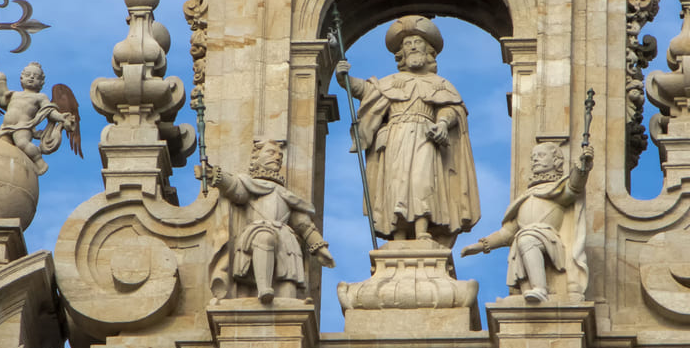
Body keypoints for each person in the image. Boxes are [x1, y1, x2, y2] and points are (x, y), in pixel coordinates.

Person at [335, 16, 479, 247]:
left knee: (422, 182)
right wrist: (343, 77)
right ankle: (397, 235)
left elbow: (451, 108)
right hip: (395, 137)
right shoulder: (390, 82)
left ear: (428, 49)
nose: (412, 46)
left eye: (417, 42)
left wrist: (442, 124)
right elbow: (364, 90)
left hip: (425, 136)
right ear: (400, 53)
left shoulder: (440, 84)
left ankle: (422, 229)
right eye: (407, 43)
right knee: (396, 183)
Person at [204, 138, 335, 302]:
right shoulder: (250, 184)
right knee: (265, 238)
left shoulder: (286, 195)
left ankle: (289, 300)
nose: (277, 157)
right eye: (271, 152)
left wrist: (320, 247)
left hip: (285, 236)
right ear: (256, 158)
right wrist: (216, 175)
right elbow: (234, 188)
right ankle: (264, 288)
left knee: (289, 268)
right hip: (258, 232)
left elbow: (303, 224)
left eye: (280, 154)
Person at [461, 143, 592, 302]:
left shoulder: (557, 189)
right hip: (524, 238)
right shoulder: (527, 196)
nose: (535, 159)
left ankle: (540, 289)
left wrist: (582, 166)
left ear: (557, 162)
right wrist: (481, 245)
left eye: (541, 155)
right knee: (520, 242)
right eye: (533, 157)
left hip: (547, 238)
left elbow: (575, 186)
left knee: (527, 239)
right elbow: (507, 233)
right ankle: (526, 291)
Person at [0, 62, 79, 174]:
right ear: (21, 78)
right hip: (5, 127)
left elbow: (49, 111)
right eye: (28, 75)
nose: (31, 77)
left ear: (41, 82)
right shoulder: (14, 94)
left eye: (36, 76)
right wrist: (1, 81)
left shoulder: (39, 97)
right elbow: (1, 99)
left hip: (23, 126)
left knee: (22, 143)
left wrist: (61, 118)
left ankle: (39, 162)